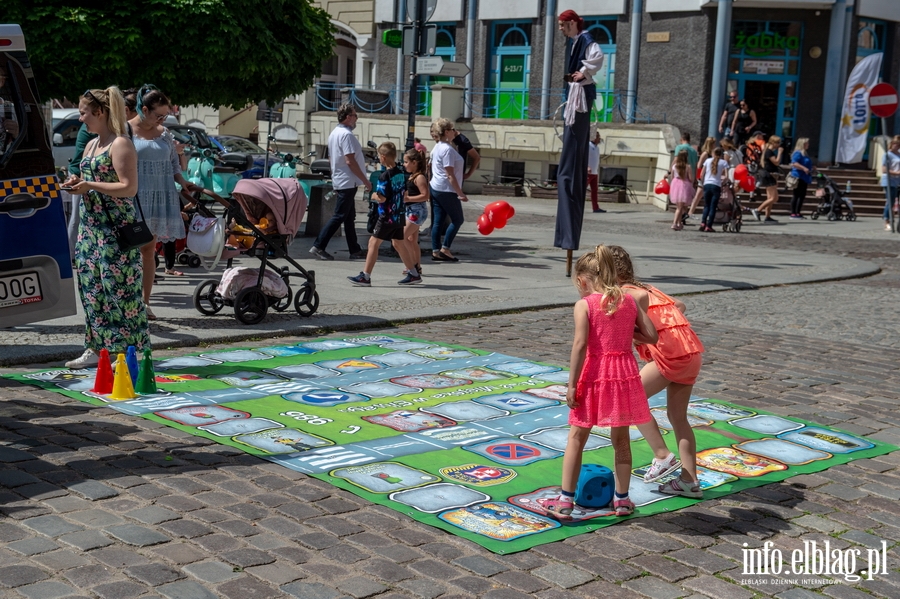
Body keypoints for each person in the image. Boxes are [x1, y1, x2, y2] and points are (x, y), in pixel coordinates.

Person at [537, 245, 657, 520]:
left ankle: (565, 502)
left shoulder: (584, 305)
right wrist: (628, 328)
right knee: (621, 439)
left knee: (577, 437)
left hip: (595, 374)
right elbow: (651, 336)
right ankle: (623, 500)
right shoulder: (629, 301)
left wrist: (571, 384)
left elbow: (580, 345)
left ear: (582, 280)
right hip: (624, 374)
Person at [62, 87, 149, 369]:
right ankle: (96, 347)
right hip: (91, 229)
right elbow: (88, 177)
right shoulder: (91, 144)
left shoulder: (120, 144)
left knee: (120, 292)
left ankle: (129, 352)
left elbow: (128, 187)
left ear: (99, 112)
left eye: (84, 112)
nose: (80, 118)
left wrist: (90, 185)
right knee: (90, 289)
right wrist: (76, 180)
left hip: (115, 229)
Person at [611, 246, 705, 498]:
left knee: (631, 400)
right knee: (678, 417)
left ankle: (662, 455)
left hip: (670, 355)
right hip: (690, 351)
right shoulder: (647, 288)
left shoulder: (623, 294)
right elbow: (680, 305)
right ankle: (689, 480)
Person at [129, 85, 202, 319]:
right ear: (143, 109)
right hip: (135, 197)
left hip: (160, 194)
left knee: (149, 251)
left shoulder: (164, 133)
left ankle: (145, 302)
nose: (161, 120)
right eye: (158, 115)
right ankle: (126, 302)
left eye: (165, 116)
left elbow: (173, 165)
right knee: (129, 252)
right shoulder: (124, 132)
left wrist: (183, 182)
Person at [554, 9, 603, 252]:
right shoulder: (576, 41)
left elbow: (597, 57)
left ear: (572, 23)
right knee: (571, 143)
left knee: (574, 144)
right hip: (577, 95)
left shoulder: (585, 38)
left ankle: (571, 170)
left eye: (563, 25)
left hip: (581, 96)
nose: (561, 29)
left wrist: (583, 72)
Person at [348, 142, 422, 286]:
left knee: (373, 243)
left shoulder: (384, 176)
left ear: (382, 157)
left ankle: (366, 276)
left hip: (386, 216)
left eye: (378, 156)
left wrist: (374, 195)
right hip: (399, 214)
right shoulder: (401, 173)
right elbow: (403, 193)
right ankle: (413, 273)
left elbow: (382, 198)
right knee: (398, 243)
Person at [309, 104, 370, 261]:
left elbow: (332, 159)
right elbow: (350, 161)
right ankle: (319, 246)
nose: (357, 118)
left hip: (342, 179)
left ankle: (354, 249)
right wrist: (365, 180)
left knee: (349, 216)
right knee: (340, 215)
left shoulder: (334, 133)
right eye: (355, 115)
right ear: (348, 117)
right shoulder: (346, 135)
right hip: (347, 181)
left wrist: (335, 177)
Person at [429, 118, 467, 262]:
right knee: (458, 219)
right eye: (452, 129)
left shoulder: (438, 146)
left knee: (438, 221)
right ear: (446, 132)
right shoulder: (447, 150)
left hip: (436, 187)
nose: (454, 132)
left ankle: (436, 250)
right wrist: (460, 193)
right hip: (446, 189)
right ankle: (445, 248)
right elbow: (449, 174)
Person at [402, 148, 429, 277]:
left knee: (401, 237)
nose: (404, 164)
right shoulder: (412, 176)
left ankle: (411, 265)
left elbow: (425, 196)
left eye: (406, 162)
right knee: (412, 240)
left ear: (414, 162)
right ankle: (417, 266)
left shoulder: (419, 177)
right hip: (412, 210)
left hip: (417, 211)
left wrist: (408, 199)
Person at [752, 135, 783, 223]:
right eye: (777, 143)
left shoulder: (768, 151)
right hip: (768, 175)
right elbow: (776, 162)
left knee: (770, 198)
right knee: (774, 198)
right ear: (773, 143)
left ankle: (767, 216)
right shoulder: (769, 152)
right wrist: (780, 153)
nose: (779, 145)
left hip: (769, 175)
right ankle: (758, 210)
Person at [699, 147, 729, 233]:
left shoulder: (708, 161)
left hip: (707, 184)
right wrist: (723, 183)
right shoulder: (724, 162)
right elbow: (726, 176)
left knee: (706, 205)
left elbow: (701, 174)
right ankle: (709, 226)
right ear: (721, 155)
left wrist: (703, 182)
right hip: (716, 185)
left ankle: (703, 223)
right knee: (713, 206)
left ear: (713, 153)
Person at [686, 137, 717, 220]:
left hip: (709, 177)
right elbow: (699, 166)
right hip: (703, 177)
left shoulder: (712, 153)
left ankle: (691, 212)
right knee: (698, 195)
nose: (715, 145)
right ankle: (690, 212)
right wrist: (699, 177)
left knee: (701, 196)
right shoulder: (705, 154)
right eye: (714, 143)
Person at [667, 150, 693, 230]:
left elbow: (672, 177)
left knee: (679, 206)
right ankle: (674, 223)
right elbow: (691, 178)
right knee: (679, 207)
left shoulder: (674, 166)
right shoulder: (688, 166)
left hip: (675, 185)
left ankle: (679, 223)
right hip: (684, 185)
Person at [789, 137, 813, 219]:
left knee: (802, 195)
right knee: (796, 194)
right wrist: (803, 168)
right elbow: (794, 163)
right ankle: (793, 213)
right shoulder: (798, 153)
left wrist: (812, 168)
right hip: (798, 176)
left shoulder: (805, 153)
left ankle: (798, 212)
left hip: (805, 177)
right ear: (802, 144)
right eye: (807, 143)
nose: (808, 145)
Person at [881, 135, 900, 231]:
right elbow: (884, 169)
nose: (896, 146)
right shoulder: (887, 155)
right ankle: (887, 221)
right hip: (889, 181)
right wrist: (896, 172)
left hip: (898, 181)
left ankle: (893, 220)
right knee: (890, 201)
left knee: (895, 202)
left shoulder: (899, 154)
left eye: (898, 144)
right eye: (894, 144)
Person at [586, 130, 606, 213]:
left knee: (594, 191)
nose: (599, 138)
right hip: (588, 173)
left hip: (595, 172)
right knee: (581, 190)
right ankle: (576, 205)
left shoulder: (597, 148)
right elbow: (583, 157)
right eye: (598, 137)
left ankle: (595, 207)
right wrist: (586, 167)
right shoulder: (588, 146)